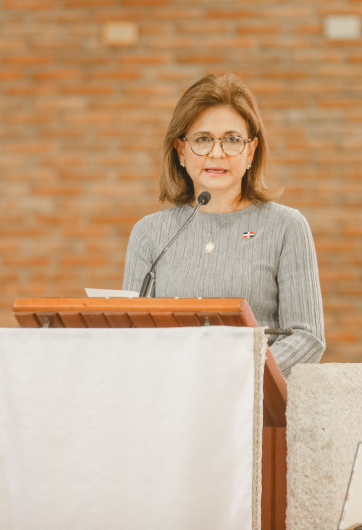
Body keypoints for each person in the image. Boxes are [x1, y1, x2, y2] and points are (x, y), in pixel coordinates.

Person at [122, 73, 325, 377]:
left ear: (250, 151)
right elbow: (130, 333)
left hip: (253, 398)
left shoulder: (286, 227)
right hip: (171, 394)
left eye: (232, 139)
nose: (216, 153)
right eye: (203, 139)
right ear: (180, 150)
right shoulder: (149, 234)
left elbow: (307, 338)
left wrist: (234, 376)